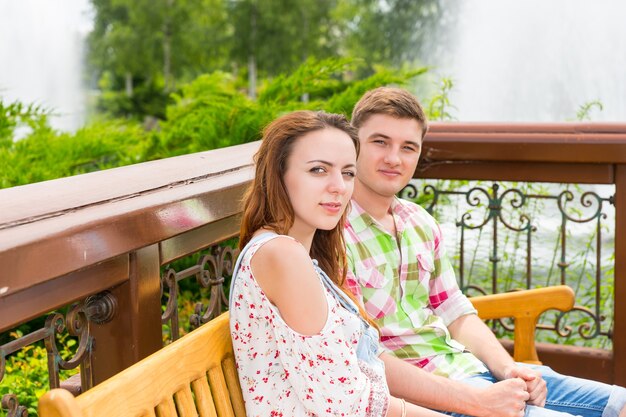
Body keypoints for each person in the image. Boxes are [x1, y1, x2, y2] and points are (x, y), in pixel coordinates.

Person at [344, 86, 626, 417]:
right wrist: (476, 397)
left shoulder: (419, 222)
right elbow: (361, 356)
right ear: (353, 143)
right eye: (380, 142)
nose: (394, 158)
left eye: (408, 147)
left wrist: (508, 370)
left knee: (619, 403)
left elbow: (455, 310)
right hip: (433, 396)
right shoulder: (334, 233)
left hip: (472, 369)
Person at [229, 110, 447, 416]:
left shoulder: (299, 254)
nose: (339, 187)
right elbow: (346, 404)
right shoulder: (282, 255)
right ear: (278, 175)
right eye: (318, 170)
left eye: (348, 173)